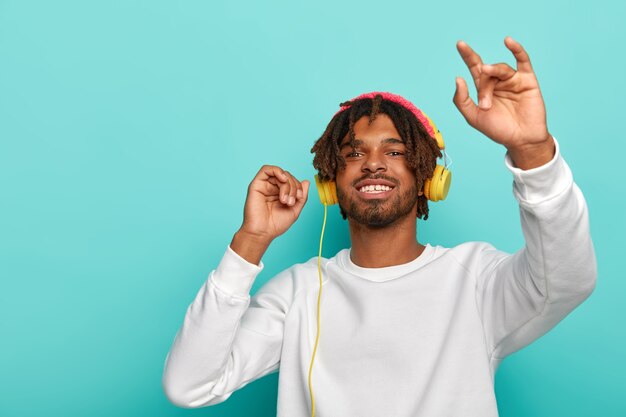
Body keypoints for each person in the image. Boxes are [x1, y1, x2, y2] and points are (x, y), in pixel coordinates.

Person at [162, 37, 597, 417]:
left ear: (429, 178)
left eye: (394, 152)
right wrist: (250, 241)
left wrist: (533, 151)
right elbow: (190, 385)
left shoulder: (475, 279)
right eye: (353, 154)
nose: (372, 163)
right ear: (330, 182)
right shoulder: (297, 293)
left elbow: (567, 280)